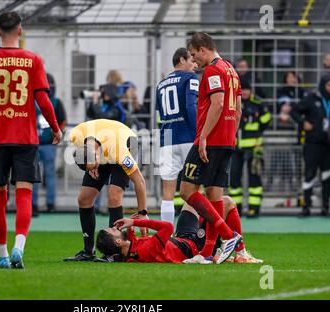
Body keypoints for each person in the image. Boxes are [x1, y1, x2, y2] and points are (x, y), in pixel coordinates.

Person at [0, 11, 62, 269]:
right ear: (20, 30)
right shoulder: (34, 60)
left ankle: (1, 255)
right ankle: (18, 247)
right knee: (25, 193)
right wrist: (55, 128)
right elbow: (43, 100)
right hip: (26, 137)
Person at [179, 32, 243, 265]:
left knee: (186, 191)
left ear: (203, 48)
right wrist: (231, 135)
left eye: (195, 56)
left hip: (210, 141)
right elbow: (237, 110)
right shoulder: (231, 69)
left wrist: (204, 137)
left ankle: (228, 236)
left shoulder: (213, 70)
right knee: (214, 194)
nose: (195, 61)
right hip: (226, 140)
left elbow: (217, 103)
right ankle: (208, 253)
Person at [64, 119, 148, 262]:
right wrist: (92, 168)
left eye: (96, 164)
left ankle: (115, 253)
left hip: (125, 141)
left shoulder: (119, 152)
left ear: (97, 155)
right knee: (84, 199)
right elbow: (88, 160)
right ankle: (88, 251)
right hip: (103, 145)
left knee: (114, 195)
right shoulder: (75, 136)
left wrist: (142, 214)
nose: (96, 167)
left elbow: (140, 181)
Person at [96, 196, 263, 264]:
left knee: (191, 199)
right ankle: (241, 253)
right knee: (226, 202)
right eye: (112, 230)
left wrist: (133, 225)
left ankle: (222, 250)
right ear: (118, 241)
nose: (114, 227)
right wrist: (134, 222)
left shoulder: (129, 251)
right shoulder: (144, 251)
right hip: (194, 246)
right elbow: (167, 227)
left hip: (182, 237)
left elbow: (129, 243)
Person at [156, 48, 199, 225]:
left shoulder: (161, 84)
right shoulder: (190, 78)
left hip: (167, 139)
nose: (195, 64)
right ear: (181, 59)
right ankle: (190, 234)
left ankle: (166, 237)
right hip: (188, 137)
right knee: (195, 190)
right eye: (192, 60)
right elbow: (191, 106)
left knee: (168, 192)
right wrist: (199, 132)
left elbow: (159, 116)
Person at [229, 79, 271, 217]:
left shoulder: (258, 104)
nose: (245, 92)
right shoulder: (233, 104)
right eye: (243, 90)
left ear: (251, 91)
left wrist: (256, 130)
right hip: (236, 148)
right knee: (234, 178)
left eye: (247, 90)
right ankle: (236, 209)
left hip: (253, 147)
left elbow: (266, 121)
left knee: (254, 179)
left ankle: (254, 209)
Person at [290, 73, 330, 217]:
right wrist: (302, 123)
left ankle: (325, 207)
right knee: (309, 175)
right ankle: (305, 207)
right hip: (312, 144)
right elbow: (294, 111)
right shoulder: (311, 99)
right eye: (328, 85)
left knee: (327, 176)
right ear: (323, 85)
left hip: (327, 146)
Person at [32, 73, 67, 215]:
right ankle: (50, 204)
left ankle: (33, 205)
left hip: (34, 142)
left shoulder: (32, 101)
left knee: (33, 175)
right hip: (49, 143)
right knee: (50, 174)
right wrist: (56, 132)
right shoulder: (55, 102)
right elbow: (63, 121)